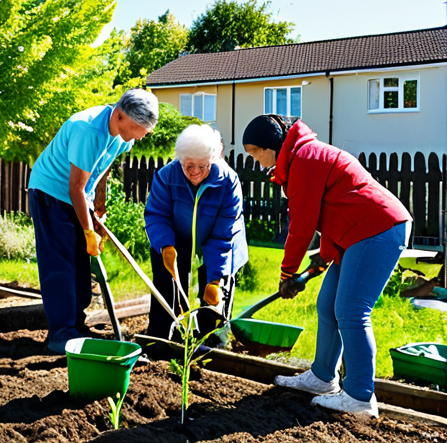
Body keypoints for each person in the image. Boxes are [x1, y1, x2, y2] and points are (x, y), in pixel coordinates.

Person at [242, 114, 411, 417]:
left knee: (351, 311)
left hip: (378, 229)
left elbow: (303, 225)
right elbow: (336, 206)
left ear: (271, 146)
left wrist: (287, 273)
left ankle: (360, 396)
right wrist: (326, 254)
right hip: (355, 231)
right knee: (328, 303)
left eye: (255, 151)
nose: (256, 160)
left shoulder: (305, 158)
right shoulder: (301, 157)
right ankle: (322, 378)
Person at [28, 89, 159, 354]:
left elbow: (103, 167)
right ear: (120, 115)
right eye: (138, 128)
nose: (141, 134)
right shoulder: (88, 131)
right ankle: (61, 334)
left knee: (80, 264)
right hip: (51, 193)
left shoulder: (123, 133)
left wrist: (98, 208)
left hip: (78, 195)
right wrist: (89, 232)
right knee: (61, 265)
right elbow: (75, 187)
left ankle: (75, 327)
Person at [144, 124, 248, 351]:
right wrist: (165, 246)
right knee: (166, 287)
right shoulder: (166, 176)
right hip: (174, 242)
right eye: (189, 165)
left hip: (221, 243)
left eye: (202, 165)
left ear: (214, 159)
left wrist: (215, 278)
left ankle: (212, 348)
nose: (195, 171)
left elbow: (222, 236)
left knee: (214, 299)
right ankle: (160, 343)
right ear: (180, 159)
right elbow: (157, 215)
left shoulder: (228, 182)